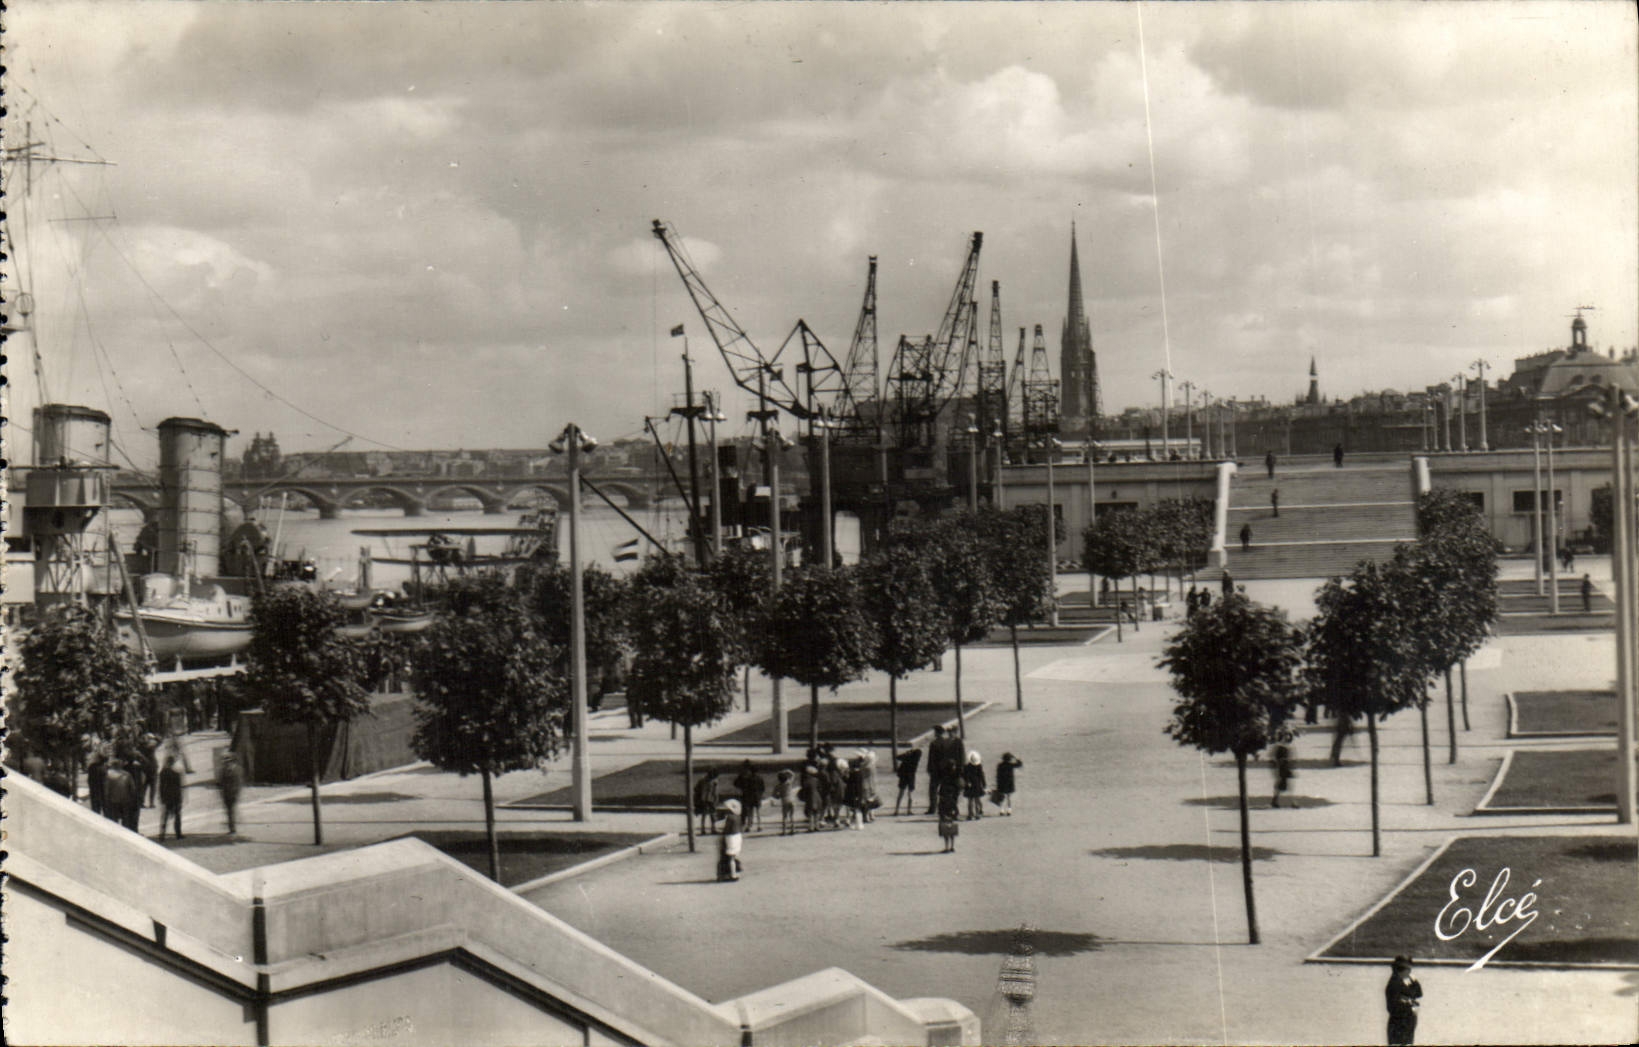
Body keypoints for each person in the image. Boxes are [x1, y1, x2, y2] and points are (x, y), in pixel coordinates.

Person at [1384, 955, 1422, 1045]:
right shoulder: (1395, 984)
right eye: (1409, 970)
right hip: (1399, 1026)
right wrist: (1410, 1005)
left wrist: (1413, 979)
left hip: (1405, 1025)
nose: (1410, 972)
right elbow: (1393, 1008)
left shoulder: (1401, 982)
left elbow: (1418, 993)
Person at [103, 760, 139, 831]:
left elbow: (106, 789)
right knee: (125, 820)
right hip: (125, 801)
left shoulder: (108, 774)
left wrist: (106, 800)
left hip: (113, 801)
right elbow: (133, 789)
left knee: (114, 820)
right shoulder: (127, 774)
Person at [732, 760, 765, 832]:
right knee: (758, 812)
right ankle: (759, 825)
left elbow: (744, 787)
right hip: (757, 797)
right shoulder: (760, 778)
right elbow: (763, 788)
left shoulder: (748, 779)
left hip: (750, 797)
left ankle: (749, 826)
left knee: (750, 812)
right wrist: (760, 794)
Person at [158, 755, 185, 841]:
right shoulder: (176, 774)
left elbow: (161, 787)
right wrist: (180, 799)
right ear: (172, 763)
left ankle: (162, 834)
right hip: (175, 797)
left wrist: (161, 797)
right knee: (177, 815)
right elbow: (178, 787)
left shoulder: (162, 773)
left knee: (164, 816)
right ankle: (178, 834)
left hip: (166, 797)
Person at [217, 752, 244, 836]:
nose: (226, 764)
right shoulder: (223, 770)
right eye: (225, 762)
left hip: (233, 793)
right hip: (225, 793)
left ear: (232, 761)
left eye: (228, 761)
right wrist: (220, 788)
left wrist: (236, 793)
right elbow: (220, 781)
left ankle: (232, 829)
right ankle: (231, 828)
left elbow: (238, 783)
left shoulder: (237, 770)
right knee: (228, 811)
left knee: (231, 811)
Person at [717, 798, 744, 882]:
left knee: (730, 858)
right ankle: (736, 872)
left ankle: (732, 874)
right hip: (738, 837)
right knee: (735, 856)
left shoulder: (729, 818)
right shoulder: (738, 817)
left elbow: (726, 829)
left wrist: (721, 831)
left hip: (730, 838)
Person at [893, 746, 922, 816]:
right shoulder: (915, 760)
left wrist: (907, 753)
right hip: (911, 777)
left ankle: (897, 810)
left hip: (903, 776)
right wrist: (910, 753)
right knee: (910, 794)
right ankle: (909, 810)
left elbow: (897, 757)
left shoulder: (907, 757)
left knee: (901, 794)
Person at [936, 775, 962, 853]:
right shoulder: (952, 801)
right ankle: (952, 847)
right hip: (951, 819)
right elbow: (957, 811)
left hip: (944, 819)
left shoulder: (941, 802)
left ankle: (947, 847)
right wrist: (953, 816)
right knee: (952, 834)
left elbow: (940, 811)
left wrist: (943, 816)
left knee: (945, 834)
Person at [855, 749, 880, 824]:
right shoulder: (871, 766)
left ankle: (867, 816)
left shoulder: (864, 766)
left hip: (866, 784)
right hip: (870, 784)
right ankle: (869, 815)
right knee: (869, 800)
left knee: (866, 801)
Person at [694, 768, 721, 835]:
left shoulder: (702, 780)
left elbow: (696, 788)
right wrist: (716, 800)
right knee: (712, 814)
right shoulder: (715, 782)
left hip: (703, 799)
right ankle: (713, 829)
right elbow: (715, 792)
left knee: (704, 815)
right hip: (711, 799)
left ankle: (703, 829)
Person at [961, 751, 987, 821]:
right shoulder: (979, 766)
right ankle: (977, 814)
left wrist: (967, 782)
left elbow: (964, 776)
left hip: (969, 785)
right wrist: (984, 784)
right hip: (977, 785)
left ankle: (970, 814)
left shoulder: (966, 767)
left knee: (970, 801)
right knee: (977, 800)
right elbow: (981, 776)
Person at [1270, 743, 1295, 808]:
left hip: (1282, 774)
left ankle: (1275, 801)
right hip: (1283, 774)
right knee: (1286, 788)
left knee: (1280, 788)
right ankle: (1292, 802)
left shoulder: (1280, 761)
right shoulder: (1283, 761)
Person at [801, 762, 823, 832]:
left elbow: (804, 790)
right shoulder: (817, 780)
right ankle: (817, 826)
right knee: (817, 812)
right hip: (817, 796)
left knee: (810, 813)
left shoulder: (806, 781)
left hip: (810, 797)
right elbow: (820, 788)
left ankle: (811, 827)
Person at [775, 768, 798, 835]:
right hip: (792, 799)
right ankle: (792, 830)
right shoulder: (789, 783)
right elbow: (793, 775)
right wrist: (787, 771)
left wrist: (779, 796)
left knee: (785, 816)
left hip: (784, 800)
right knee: (792, 815)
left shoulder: (778, 786)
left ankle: (784, 831)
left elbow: (774, 795)